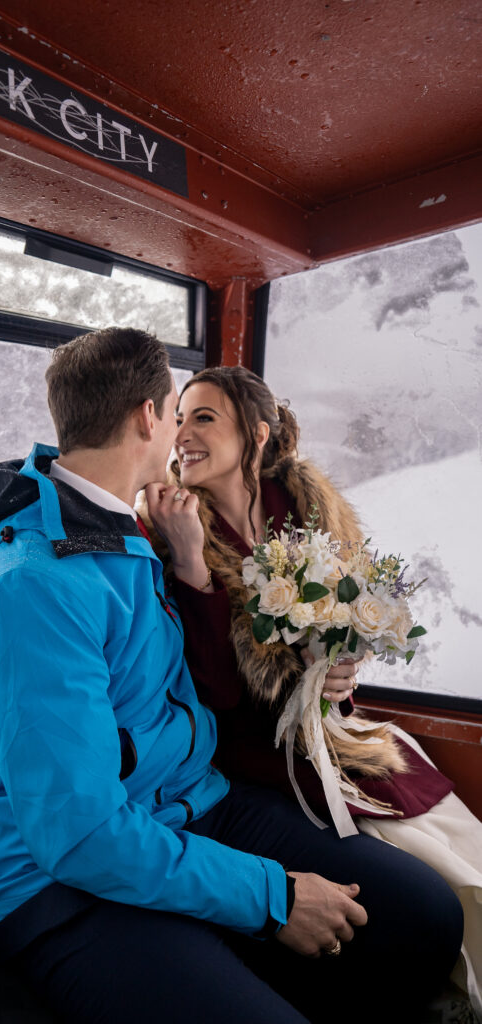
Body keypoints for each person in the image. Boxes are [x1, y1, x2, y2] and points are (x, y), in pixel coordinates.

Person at [0, 329, 462, 1024]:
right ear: (147, 418)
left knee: (423, 917)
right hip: (65, 884)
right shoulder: (33, 586)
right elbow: (77, 833)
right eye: (175, 411)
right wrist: (271, 895)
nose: (180, 432)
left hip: (193, 805)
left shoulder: (130, 536)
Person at [146, 363, 481, 1019]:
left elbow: (339, 621)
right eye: (177, 418)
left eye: (202, 417)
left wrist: (339, 667)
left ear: (257, 434)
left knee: (451, 835)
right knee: (420, 866)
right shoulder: (170, 529)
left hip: (327, 729)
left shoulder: (301, 510)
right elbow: (210, 692)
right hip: (245, 757)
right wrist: (190, 568)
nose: (180, 433)